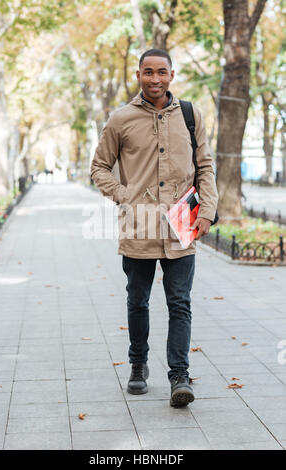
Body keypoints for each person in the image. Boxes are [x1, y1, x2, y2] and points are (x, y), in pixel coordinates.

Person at [91, 49, 218, 407]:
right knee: (138, 301)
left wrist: (207, 210)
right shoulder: (121, 119)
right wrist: (124, 195)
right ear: (138, 75)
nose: (155, 79)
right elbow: (99, 166)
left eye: (161, 72)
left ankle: (180, 375)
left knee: (180, 303)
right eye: (148, 72)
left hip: (182, 227)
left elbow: (205, 166)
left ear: (172, 75)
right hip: (139, 228)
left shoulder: (190, 115)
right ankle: (138, 364)